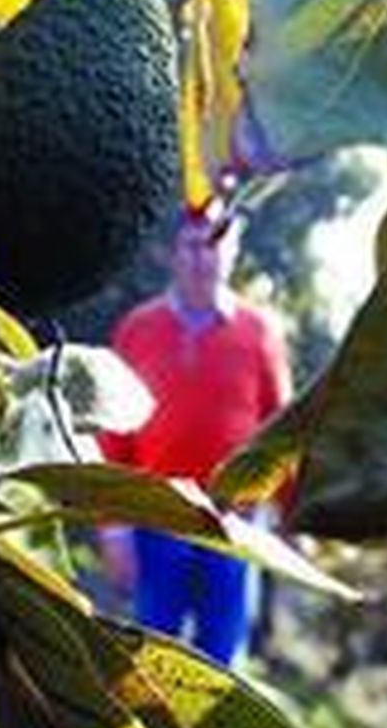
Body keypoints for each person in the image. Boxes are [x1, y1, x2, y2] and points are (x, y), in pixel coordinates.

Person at [96, 206, 292, 665]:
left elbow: (282, 432)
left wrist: (293, 514)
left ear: (233, 252)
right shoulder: (137, 329)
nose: (203, 256)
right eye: (192, 245)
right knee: (149, 657)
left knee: (221, 663)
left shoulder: (260, 333)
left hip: (234, 526)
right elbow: (113, 438)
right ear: (173, 253)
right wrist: (113, 529)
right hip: (156, 516)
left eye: (215, 244)